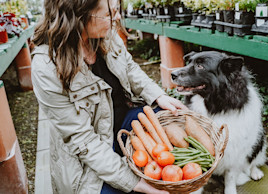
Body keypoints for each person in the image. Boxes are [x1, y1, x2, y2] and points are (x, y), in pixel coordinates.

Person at [31, 0, 188, 193]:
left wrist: (158, 96)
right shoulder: (47, 67)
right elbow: (83, 140)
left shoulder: (105, 34)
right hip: (89, 156)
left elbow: (129, 67)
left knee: (162, 114)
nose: (117, 17)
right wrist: (134, 183)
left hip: (123, 123)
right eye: (109, 13)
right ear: (79, 18)